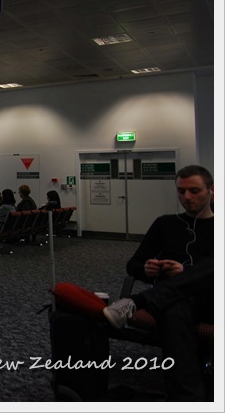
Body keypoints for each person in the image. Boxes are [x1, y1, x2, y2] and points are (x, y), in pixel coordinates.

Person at [102, 165, 214, 401]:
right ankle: (187, 400)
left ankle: (137, 301)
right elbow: (133, 265)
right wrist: (146, 269)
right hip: (171, 301)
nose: (187, 197)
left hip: (212, 300)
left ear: (211, 191)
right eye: (181, 191)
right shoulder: (165, 224)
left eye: (194, 191)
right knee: (175, 308)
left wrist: (186, 271)